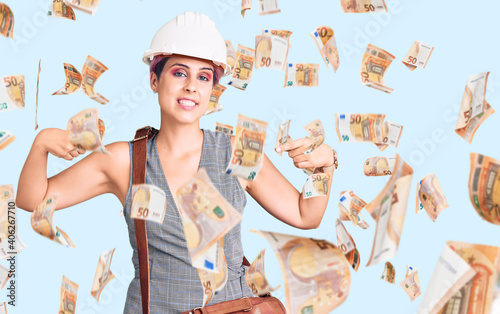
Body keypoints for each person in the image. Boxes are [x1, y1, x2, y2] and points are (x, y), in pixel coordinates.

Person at [16, 11, 338, 313]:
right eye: (179, 72)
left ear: (212, 89)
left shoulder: (237, 151)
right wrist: (41, 143)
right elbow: (33, 200)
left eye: (203, 77)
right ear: (155, 80)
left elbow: (304, 214)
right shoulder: (124, 161)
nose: (191, 87)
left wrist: (324, 168)